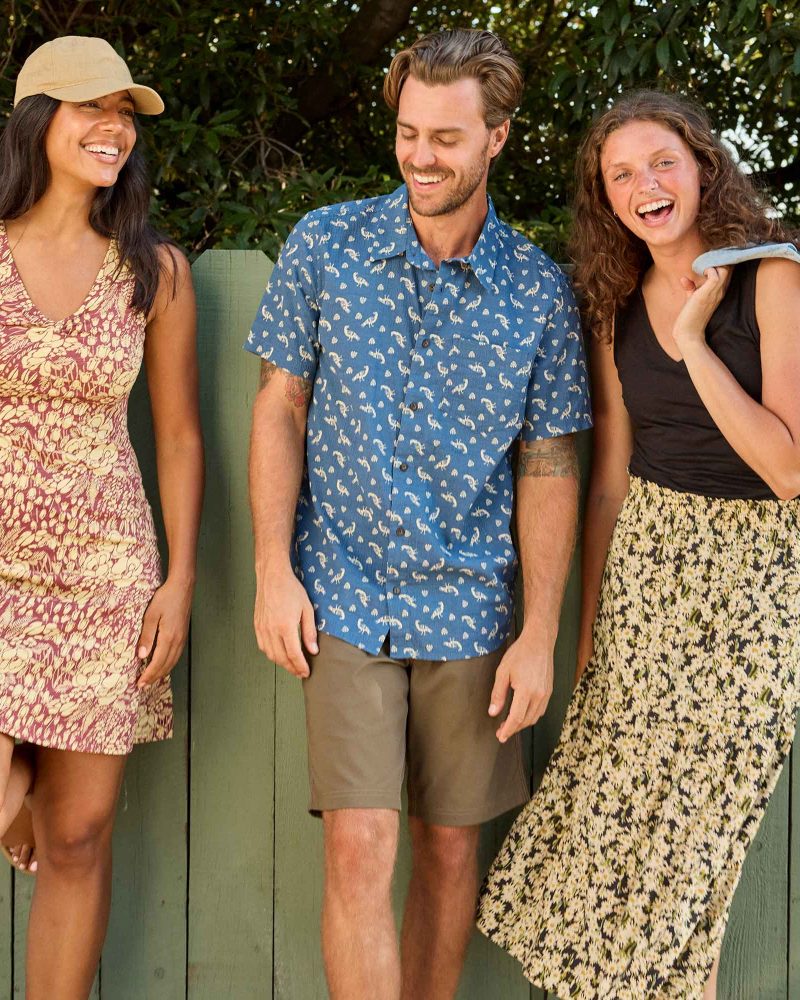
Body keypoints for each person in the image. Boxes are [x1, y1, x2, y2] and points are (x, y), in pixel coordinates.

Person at [245, 26, 591, 1000]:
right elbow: (278, 406)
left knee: (446, 852)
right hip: (343, 592)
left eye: (445, 137)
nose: (420, 156)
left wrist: (538, 631)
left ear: (496, 138)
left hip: (470, 605)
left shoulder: (535, 292)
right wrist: (272, 568)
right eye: (407, 133)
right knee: (359, 843)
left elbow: (550, 461)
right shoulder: (326, 244)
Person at [477, 90, 800, 999]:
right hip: (647, 578)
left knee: (690, 857)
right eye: (620, 174)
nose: (645, 185)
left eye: (662, 162)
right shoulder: (612, 306)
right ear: (604, 197)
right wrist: (590, 642)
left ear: (703, 167)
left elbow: (788, 468)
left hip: (756, 590)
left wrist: (695, 342)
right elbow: (611, 482)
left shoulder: (774, 277)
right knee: (602, 846)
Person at [0, 35, 203, 998]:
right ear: (39, 120)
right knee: (19, 804)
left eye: (125, 113)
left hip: (105, 575)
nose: (114, 127)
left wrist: (179, 582)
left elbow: (180, 437)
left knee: (78, 837)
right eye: (94, 107)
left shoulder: (154, 271)